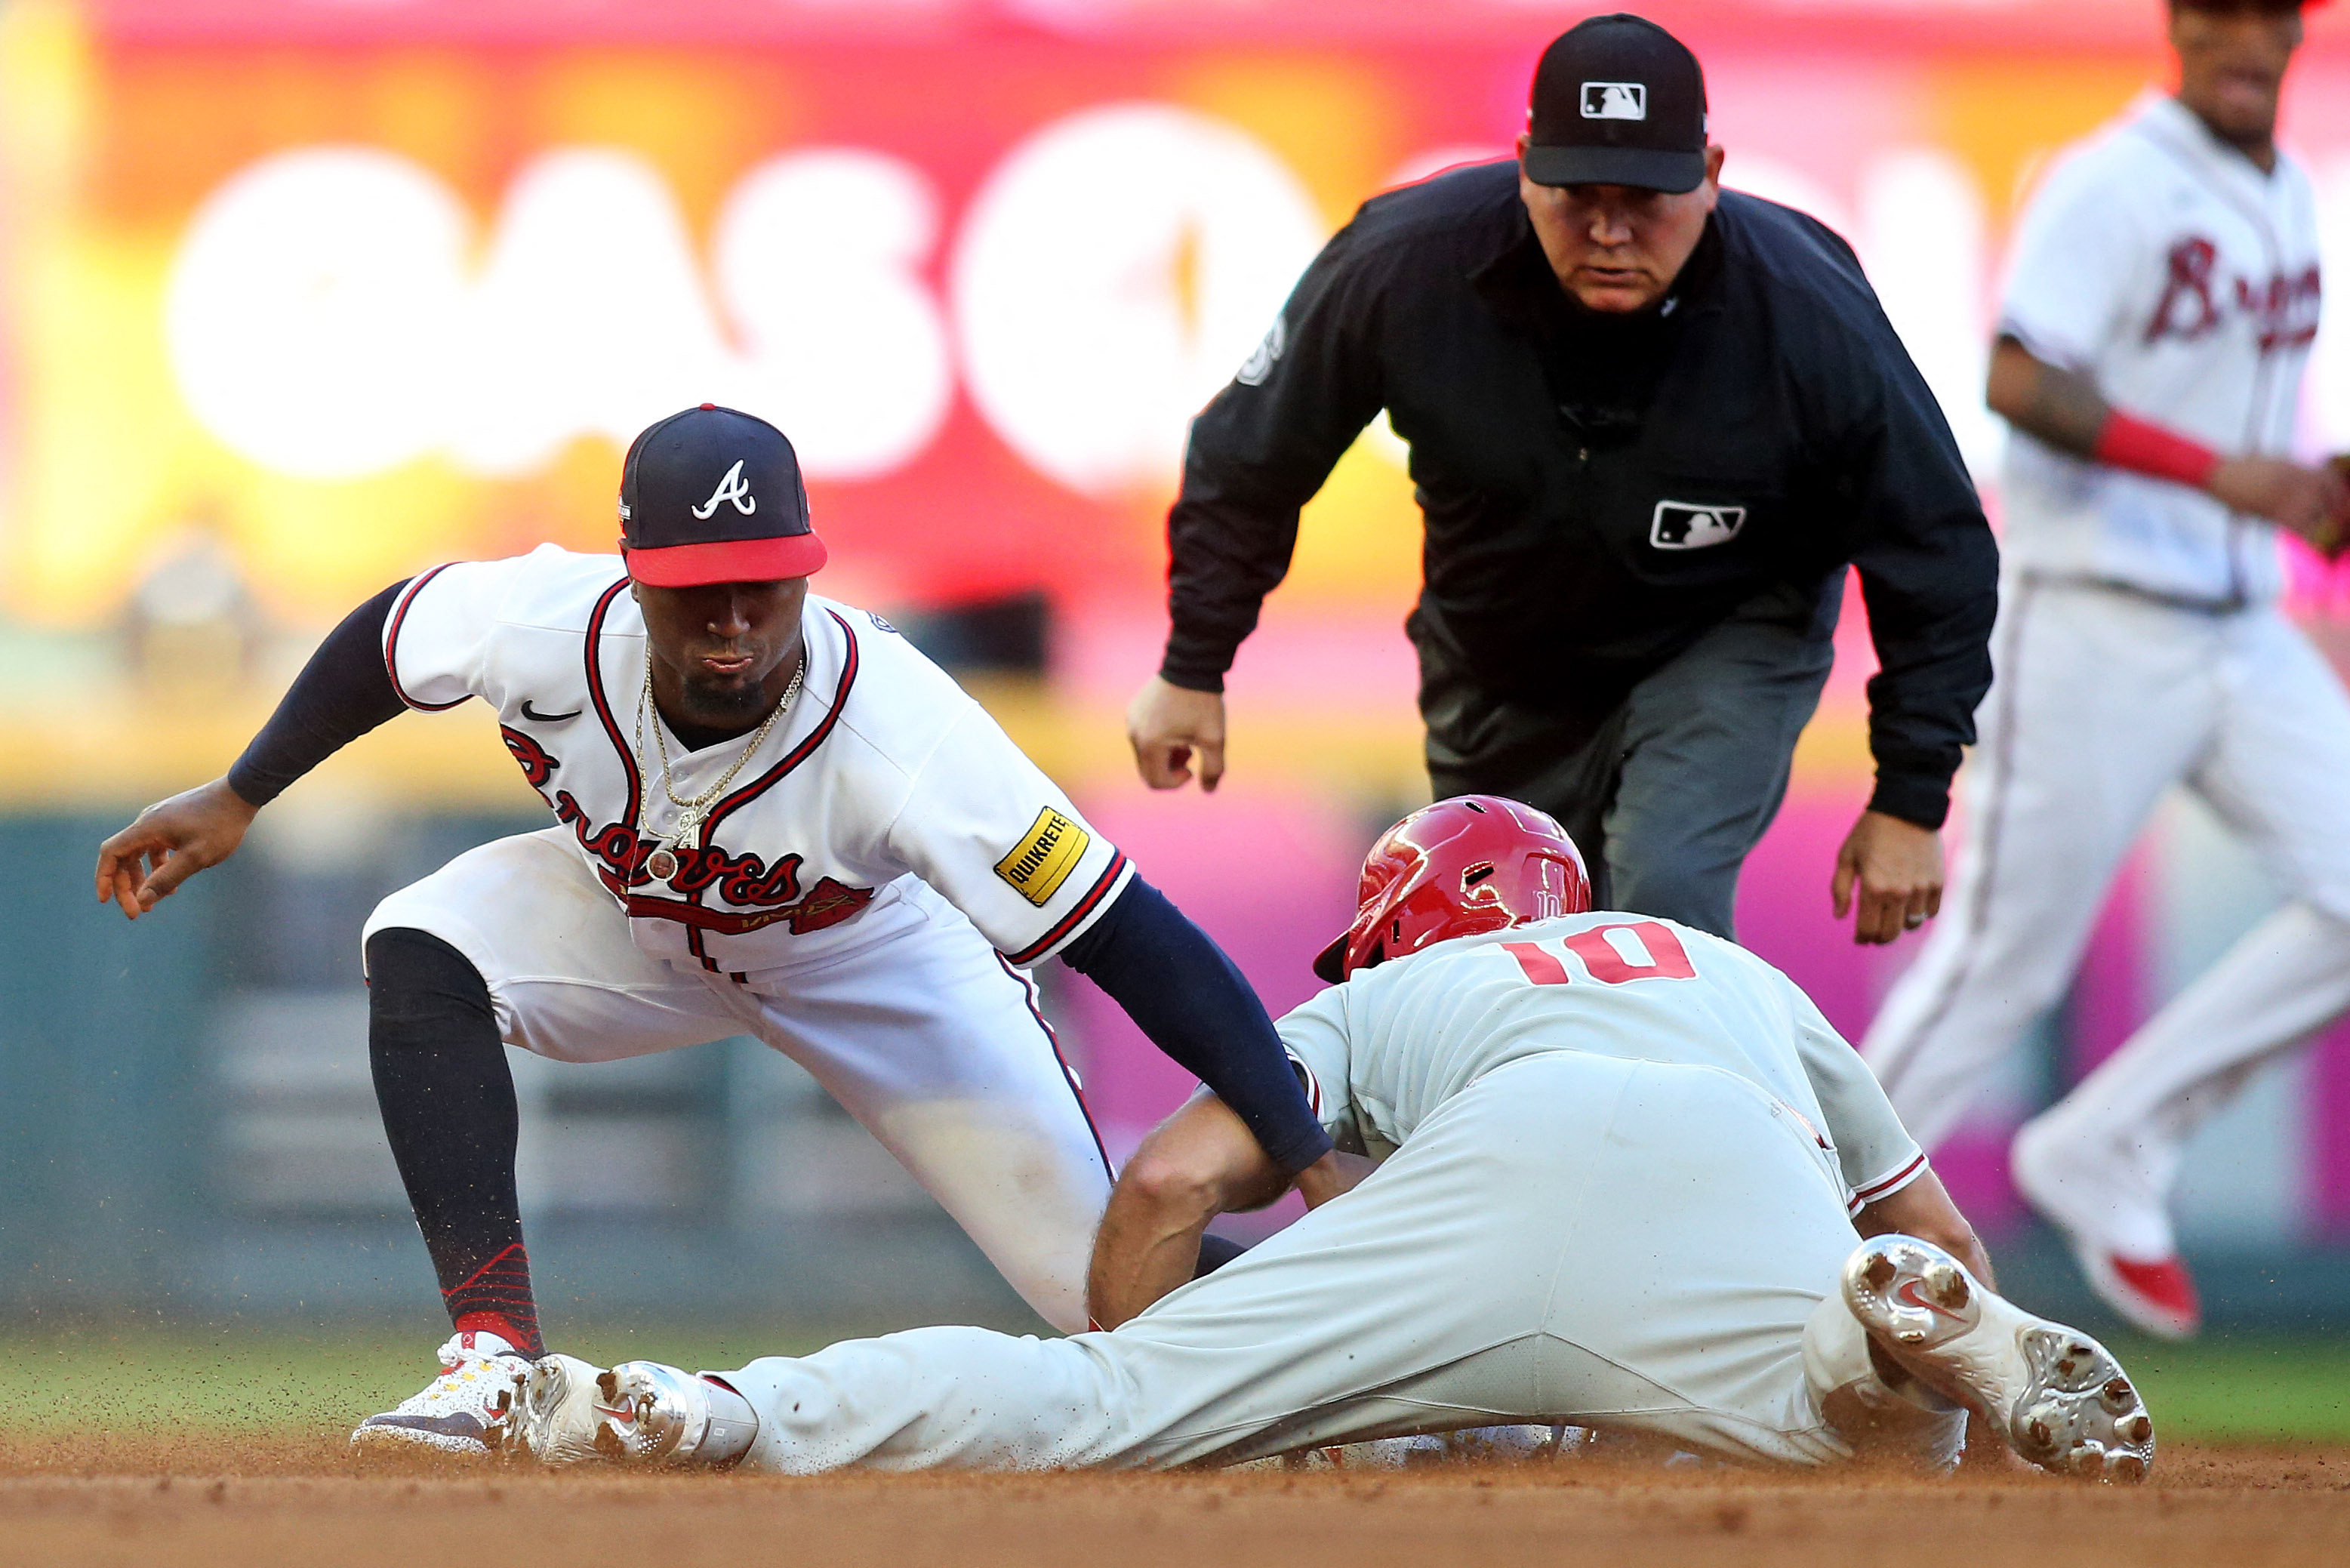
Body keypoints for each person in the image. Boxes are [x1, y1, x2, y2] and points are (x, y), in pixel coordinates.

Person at [93, 404, 1340, 1456]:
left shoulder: (905, 733)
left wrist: (1293, 1138)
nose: (736, 621)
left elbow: (1124, 931)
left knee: (1100, 1290)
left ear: (808, 571)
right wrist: (241, 789)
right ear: (634, 577)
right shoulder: (542, 621)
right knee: (423, 938)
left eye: (765, 584)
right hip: (635, 924)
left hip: (868, 959)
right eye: (700, 592)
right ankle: (492, 1353)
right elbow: (391, 635)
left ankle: (1400, 1367)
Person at [497, 799, 2154, 1482]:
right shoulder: (1724, 966)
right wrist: (1923, 1304)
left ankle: (709, 1411)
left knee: (1102, 1403)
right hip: (1760, 1173)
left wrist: (1177, 1372)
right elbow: (1939, 1237)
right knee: (1869, 1444)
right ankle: (1879, 1362)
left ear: (1401, 928)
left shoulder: (1396, 996)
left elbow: (1167, 1181)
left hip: (1498, 1151)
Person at [1125, 14, 1998, 947]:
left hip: (1727, 623)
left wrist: (1909, 797)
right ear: (1523, 165)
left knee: (1658, 889)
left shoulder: (1806, 314)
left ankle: (1684, 1094)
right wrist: (1192, 664)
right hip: (1500, 651)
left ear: (1709, 176)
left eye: (1647, 196)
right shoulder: (1404, 266)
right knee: (1500, 938)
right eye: (1576, 195)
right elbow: (1252, 452)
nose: (1610, 231)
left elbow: (1935, 545)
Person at [1859, 0, 2350, 1339]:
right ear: (2179, 26)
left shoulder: (2289, 190)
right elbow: (2017, 378)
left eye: (2274, 16)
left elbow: (2247, 418)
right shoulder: (2109, 180)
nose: (2250, 40)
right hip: (2094, 614)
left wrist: (2309, 490)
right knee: (1997, 965)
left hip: (2243, 619)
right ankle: (1782, 1227)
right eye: (2223, 13)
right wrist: (2225, 475)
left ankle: (2110, 1140)